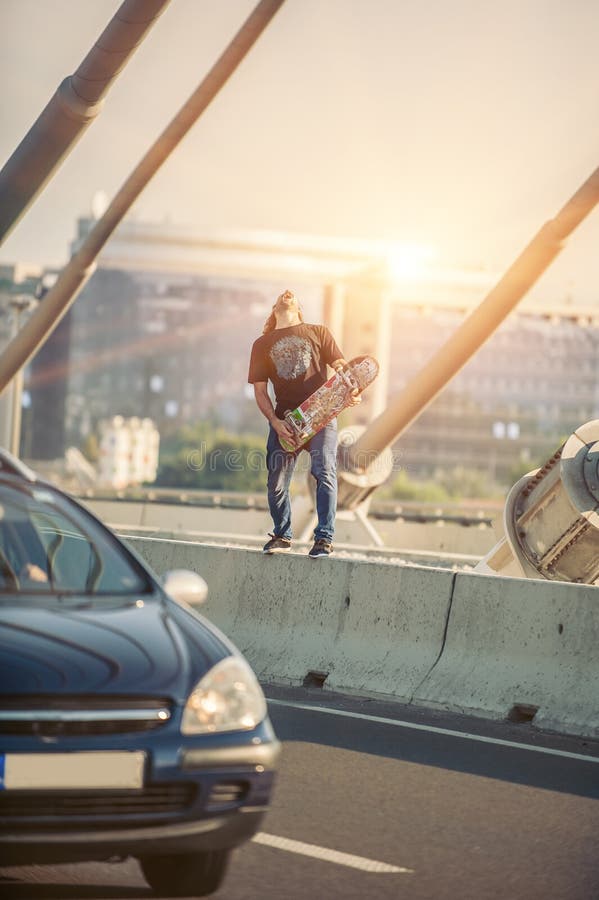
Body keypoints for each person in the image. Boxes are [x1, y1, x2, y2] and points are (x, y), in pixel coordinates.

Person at [248, 289, 360, 558]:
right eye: (282, 296)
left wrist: (351, 388)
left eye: (292, 295)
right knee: (276, 482)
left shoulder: (319, 333)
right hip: (287, 422)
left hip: (321, 417)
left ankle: (324, 538)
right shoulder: (261, 345)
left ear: (298, 308)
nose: (287, 294)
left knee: (324, 472)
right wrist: (275, 422)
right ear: (275, 309)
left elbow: (341, 365)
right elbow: (261, 392)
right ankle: (282, 534)